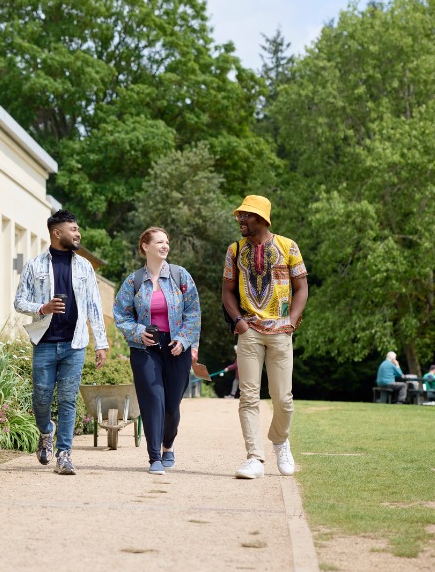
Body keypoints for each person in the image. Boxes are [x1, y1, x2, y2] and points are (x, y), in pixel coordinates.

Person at [14, 210, 108, 475]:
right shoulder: (35, 265)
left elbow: (94, 306)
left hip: (74, 344)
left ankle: (64, 454)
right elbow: (19, 301)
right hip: (44, 342)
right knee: (41, 398)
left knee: (68, 400)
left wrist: (101, 343)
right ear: (57, 233)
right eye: (73, 229)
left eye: (78, 229)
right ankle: (46, 432)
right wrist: (42, 307)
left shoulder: (85, 267)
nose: (78, 234)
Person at [222, 195, 308, 480]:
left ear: (261, 218)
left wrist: (291, 322)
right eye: (240, 216)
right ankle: (254, 458)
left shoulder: (288, 247)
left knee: (283, 399)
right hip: (249, 332)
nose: (241, 221)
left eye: (245, 216)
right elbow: (227, 292)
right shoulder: (234, 250)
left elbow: (302, 287)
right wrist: (239, 322)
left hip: (281, 332)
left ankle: (280, 441)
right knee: (248, 396)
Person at [114, 227, 201, 475]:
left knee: (172, 405)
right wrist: (137, 332)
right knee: (153, 400)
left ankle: (168, 445)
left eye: (167, 242)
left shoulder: (180, 276)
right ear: (145, 246)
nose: (165, 246)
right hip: (145, 347)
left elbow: (193, 312)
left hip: (176, 347)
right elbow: (121, 314)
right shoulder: (134, 281)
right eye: (159, 242)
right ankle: (154, 457)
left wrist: (184, 340)